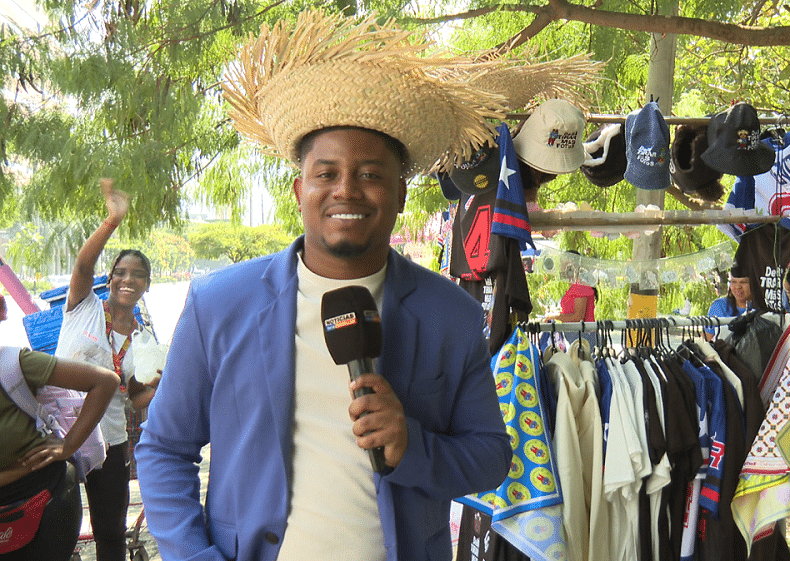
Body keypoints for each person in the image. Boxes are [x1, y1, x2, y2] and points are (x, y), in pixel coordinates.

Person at [135, 11, 512, 561]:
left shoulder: (450, 314)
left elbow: (490, 457)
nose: (347, 191)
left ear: (401, 194)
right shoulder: (219, 305)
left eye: (370, 174)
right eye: (327, 173)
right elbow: (164, 449)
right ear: (299, 189)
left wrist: (413, 445)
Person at [54, 179, 159, 561]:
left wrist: (161, 387)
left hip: (109, 443)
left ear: (147, 285)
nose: (128, 279)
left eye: (138, 275)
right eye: (121, 272)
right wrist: (112, 221)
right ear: (110, 277)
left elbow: (133, 397)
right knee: (54, 528)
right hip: (58, 432)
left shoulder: (144, 340)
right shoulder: (83, 305)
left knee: (110, 534)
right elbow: (83, 264)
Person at [1, 294, 119, 560]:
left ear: (1, 310)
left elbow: (105, 382)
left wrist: (69, 445)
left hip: (47, 495)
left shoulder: (15, 363)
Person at [705, 264, 754, 341]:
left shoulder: (763, 308)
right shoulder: (719, 307)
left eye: (743, 282)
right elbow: (706, 341)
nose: (738, 287)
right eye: (733, 282)